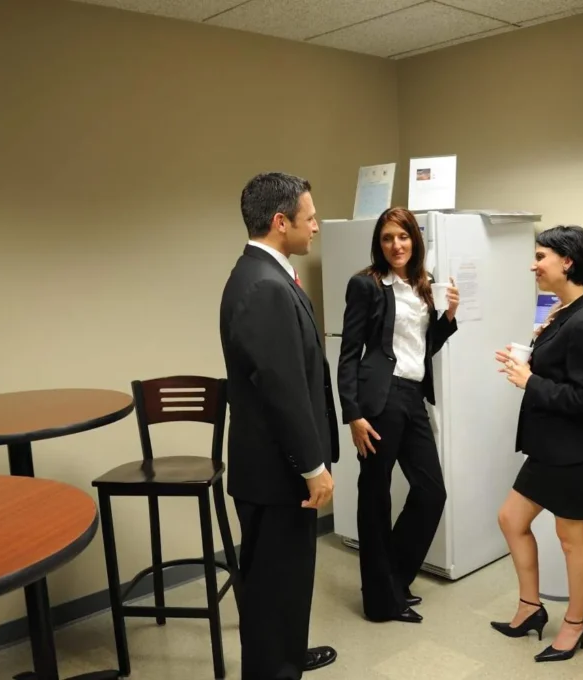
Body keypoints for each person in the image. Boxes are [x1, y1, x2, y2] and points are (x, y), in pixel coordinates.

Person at [218, 172, 339, 679]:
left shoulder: (265, 275)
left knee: (285, 583)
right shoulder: (265, 287)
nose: (316, 227)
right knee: (273, 588)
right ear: (280, 221)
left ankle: (287, 653)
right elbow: (282, 390)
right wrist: (313, 467)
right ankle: (275, 667)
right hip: (278, 473)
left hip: (273, 467)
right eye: (309, 218)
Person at [491, 224, 583, 663]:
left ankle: (576, 623)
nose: (533, 264)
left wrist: (529, 380)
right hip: (548, 447)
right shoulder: (565, 312)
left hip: (572, 450)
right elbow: (560, 373)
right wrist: (528, 357)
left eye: (541, 256)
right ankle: (530, 607)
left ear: (568, 262)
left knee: (572, 538)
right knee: (510, 519)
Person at [337, 207, 459, 624]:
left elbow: (421, 348)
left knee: (431, 492)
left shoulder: (420, 285)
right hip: (380, 400)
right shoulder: (367, 285)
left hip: (412, 398)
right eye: (388, 238)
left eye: (403, 237)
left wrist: (447, 319)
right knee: (375, 498)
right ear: (380, 242)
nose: (396, 245)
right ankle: (380, 601)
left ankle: (393, 579)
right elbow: (348, 353)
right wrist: (352, 413)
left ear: (414, 240)